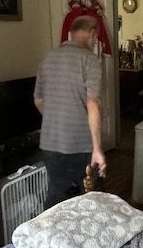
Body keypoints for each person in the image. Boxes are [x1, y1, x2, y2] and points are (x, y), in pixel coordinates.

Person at [33, 15, 107, 207]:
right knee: (92, 195)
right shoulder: (90, 60)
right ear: (92, 33)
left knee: (58, 194)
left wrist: (57, 121)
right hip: (81, 144)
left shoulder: (49, 58)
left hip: (50, 142)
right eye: (96, 37)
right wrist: (98, 149)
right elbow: (93, 103)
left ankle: (53, 235)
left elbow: (39, 100)